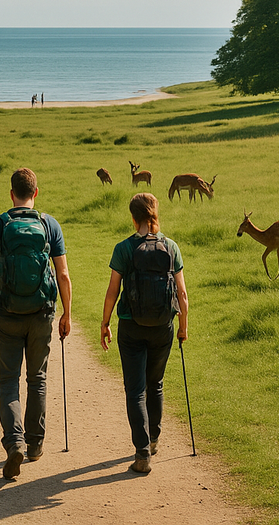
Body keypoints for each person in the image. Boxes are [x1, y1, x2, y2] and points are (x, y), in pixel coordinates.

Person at [0, 168, 72, 480]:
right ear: (35, 193)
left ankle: (14, 442)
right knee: (37, 379)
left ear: (11, 193)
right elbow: (63, 274)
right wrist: (67, 313)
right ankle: (35, 444)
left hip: (7, 314)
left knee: (7, 382)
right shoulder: (48, 224)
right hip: (42, 313)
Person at [100, 193, 189, 475]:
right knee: (156, 384)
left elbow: (113, 290)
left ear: (133, 217)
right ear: (154, 214)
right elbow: (182, 294)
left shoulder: (124, 248)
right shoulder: (171, 247)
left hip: (131, 326)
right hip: (164, 326)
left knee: (135, 389)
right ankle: (153, 440)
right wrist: (184, 327)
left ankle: (141, 454)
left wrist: (105, 322)